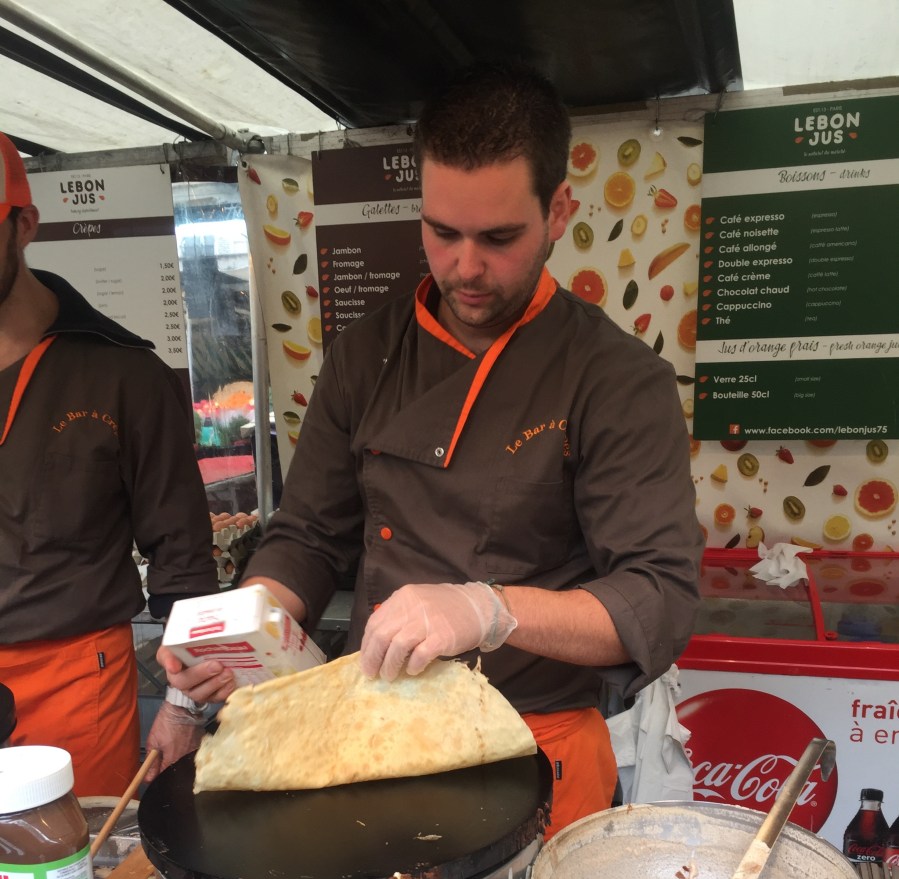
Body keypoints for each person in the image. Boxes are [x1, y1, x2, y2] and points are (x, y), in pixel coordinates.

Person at [159, 62, 704, 835]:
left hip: (535, 744)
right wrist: (244, 626)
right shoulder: (365, 354)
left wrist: (488, 610)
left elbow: (658, 597)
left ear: (558, 211)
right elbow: (308, 534)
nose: (465, 266)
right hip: (375, 735)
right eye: (441, 233)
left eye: (498, 238)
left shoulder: (613, 378)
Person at [0, 131, 218, 796]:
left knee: (73, 857)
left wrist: (182, 707)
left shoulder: (123, 375)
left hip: (72, 681)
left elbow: (182, 552)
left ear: (23, 225)